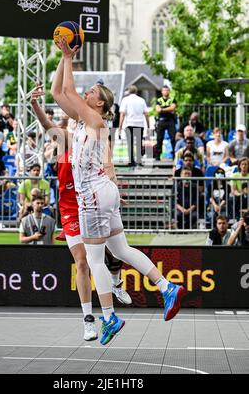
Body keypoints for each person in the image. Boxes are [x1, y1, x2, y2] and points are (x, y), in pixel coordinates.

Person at [54, 36, 186, 345]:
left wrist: (67, 55)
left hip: (93, 196)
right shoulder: (80, 118)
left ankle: (110, 317)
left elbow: (69, 91)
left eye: (93, 91)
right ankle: (167, 287)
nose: (86, 92)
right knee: (121, 250)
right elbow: (58, 91)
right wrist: (63, 58)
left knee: (97, 261)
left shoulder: (93, 117)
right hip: (104, 191)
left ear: (99, 102)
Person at [31, 82, 132, 342]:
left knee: (116, 249)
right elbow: (47, 126)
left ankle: (116, 282)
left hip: (93, 200)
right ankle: (89, 319)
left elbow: (107, 163)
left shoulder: (91, 136)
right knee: (83, 262)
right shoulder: (67, 142)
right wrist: (34, 105)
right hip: (70, 209)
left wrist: (114, 186)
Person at [119, 85, 149, 167]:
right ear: (136, 91)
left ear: (129, 91)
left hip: (129, 124)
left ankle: (131, 161)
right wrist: (148, 126)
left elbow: (122, 114)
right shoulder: (141, 100)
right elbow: (146, 114)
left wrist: (120, 127)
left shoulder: (125, 100)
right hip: (139, 124)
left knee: (130, 143)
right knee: (139, 143)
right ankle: (139, 161)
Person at [155, 85, 177, 160]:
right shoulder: (159, 100)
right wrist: (168, 109)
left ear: (169, 91)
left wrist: (162, 109)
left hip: (170, 121)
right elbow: (158, 109)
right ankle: (158, 156)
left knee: (173, 138)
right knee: (159, 139)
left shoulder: (172, 99)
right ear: (162, 92)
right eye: (164, 90)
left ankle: (174, 155)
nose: (166, 92)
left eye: (167, 90)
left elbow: (173, 108)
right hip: (161, 121)